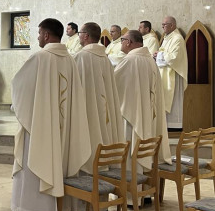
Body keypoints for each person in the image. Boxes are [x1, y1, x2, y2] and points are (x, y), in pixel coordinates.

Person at [11, 18, 91, 211]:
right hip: (63, 130)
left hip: (39, 126)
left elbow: (19, 87)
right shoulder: (70, 59)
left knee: (36, 164)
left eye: (39, 33)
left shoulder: (40, 57)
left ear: (46, 35)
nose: (38, 37)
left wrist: (19, 107)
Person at [115, 30, 171, 167]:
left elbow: (113, 86)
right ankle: (142, 172)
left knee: (131, 143)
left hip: (132, 114)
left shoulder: (129, 60)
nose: (121, 43)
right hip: (146, 111)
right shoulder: (150, 60)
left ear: (128, 42)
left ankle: (132, 176)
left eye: (122, 40)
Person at [75, 22, 124, 173]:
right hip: (105, 108)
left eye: (80, 33)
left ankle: (89, 167)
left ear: (86, 36)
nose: (78, 36)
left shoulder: (81, 57)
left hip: (87, 109)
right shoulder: (105, 58)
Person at [156, 16, 188, 131]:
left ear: (172, 25)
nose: (162, 26)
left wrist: (158, 55)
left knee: (174, 103)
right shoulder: (167, 38)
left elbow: (173, 58)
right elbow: (163, 54)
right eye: (162, 24)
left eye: (164, 24)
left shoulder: (177, 38)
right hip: (165, 73)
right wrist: (157, 55)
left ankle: (175, 127)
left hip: (174, 75)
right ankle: (166, 126)